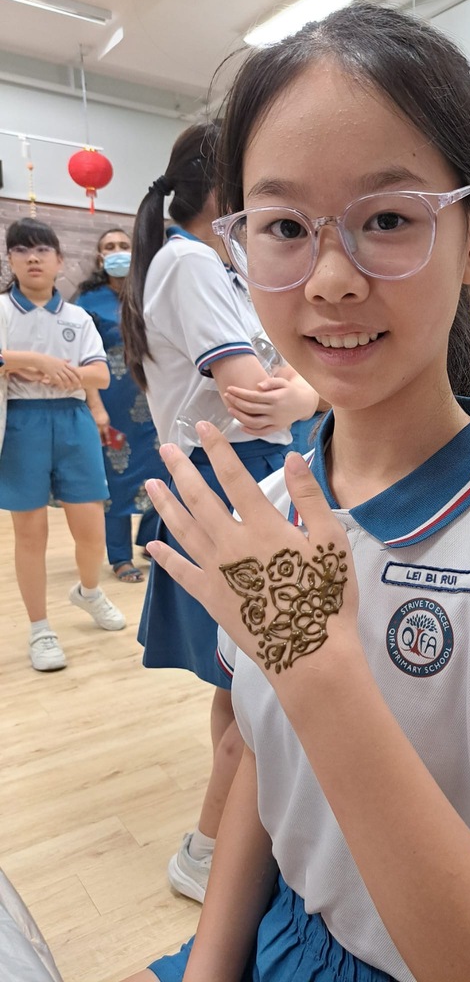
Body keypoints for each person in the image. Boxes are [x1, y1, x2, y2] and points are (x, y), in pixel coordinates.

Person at [120, 1, 470, 982]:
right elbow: (262, 764)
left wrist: (321, 674)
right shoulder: (272, 507)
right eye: (283, 226)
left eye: (389, 219)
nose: (330, 279)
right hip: (279, 935)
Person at [121, 122, 319, 905]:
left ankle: (231, 840)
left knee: (243, 683)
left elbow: (295, 381)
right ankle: (210, 851)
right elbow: (258, 394)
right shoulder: (191, 261)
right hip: (231, 480)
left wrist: (304, 389)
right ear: (221, 187)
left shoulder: (216, 264)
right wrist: (307, 390)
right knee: (260, 686)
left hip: (246, 477)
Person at [0, 218, 126, 673]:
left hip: (74, 422)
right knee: (30, 533)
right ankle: (40, 628)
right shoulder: (3, 310)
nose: (32, 258)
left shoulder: (77, 317)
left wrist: (44, 370)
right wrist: (33, 360)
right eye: (21, 250)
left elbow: (100, 375)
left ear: (60, 260)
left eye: (41, 250)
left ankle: (89, 592)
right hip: (21, 422)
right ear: (10, 259)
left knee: (91, 529)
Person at [75, 228, 163, 583]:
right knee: (116, 480)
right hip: (111, 401)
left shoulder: (150, 292)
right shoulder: (88, 301)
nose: (117, 251)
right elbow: (80, 357)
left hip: (155, 399)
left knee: (163, 472)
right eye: (109, 247)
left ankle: (152, 540)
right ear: (100, 257)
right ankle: (120, 556)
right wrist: (95, 406)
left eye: (123, 245)